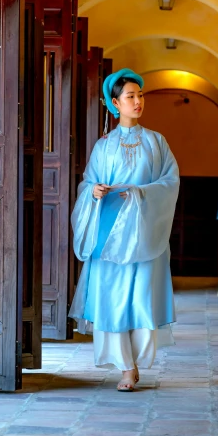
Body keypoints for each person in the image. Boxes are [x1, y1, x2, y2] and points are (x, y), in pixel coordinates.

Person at [69, 68, 180, 391]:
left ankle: (137, 360)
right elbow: (88, 182)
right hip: (110, 233)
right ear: (115, 103)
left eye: (140, 95)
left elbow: (170, 182)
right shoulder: (104, 146)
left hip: (145, 232)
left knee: (141, 296)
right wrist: (94, 192)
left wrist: (143, 192)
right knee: (113, 297)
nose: (138, 101)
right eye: (130, 96)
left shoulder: (156, 142)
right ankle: (125, 368)